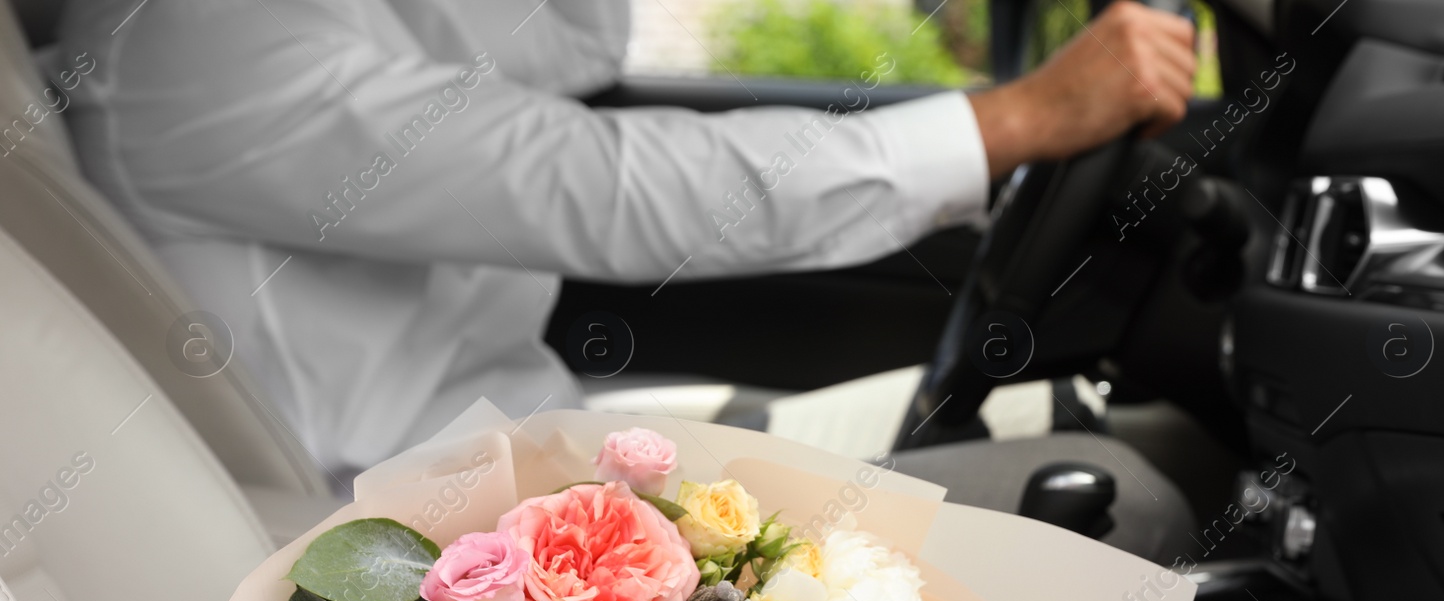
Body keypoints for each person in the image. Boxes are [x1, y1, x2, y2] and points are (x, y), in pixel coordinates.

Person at [58, 0, 1194, 480]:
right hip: (403, 527)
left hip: (527, 450)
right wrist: (1014, 122)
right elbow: (600, 184)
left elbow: (567, 43)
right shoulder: (199, 48)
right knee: (1121, 491)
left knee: (1101, 453)